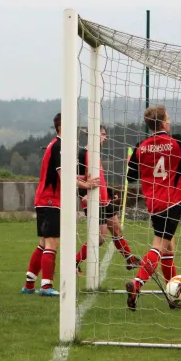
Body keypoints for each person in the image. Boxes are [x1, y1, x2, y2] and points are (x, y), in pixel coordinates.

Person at [124, 105, 181, 310]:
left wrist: (131, 161)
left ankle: (173, 296)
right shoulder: (177, 141)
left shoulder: (141, 146)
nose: (170, 121)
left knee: (169, 247)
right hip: (173, 200)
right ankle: (137, 284)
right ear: (163, 123)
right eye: (168, 118)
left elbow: (130, 177)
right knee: (160, 246)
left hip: (154, 204)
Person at [20, 113, 100, 297]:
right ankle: (46, 286)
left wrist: (80, 178)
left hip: (46, 200)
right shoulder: (60, 146)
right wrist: (85, 185)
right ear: (61, 127)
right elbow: (65, 177)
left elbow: (63, 175)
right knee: (52, 242)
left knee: (43, 243)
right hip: (50, 200)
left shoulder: (57, 145)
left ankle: (29, 284)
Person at [75, 125, 140, 274]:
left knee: (116, 230)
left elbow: (99, 179)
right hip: (92, 200)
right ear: (93, 135)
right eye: (103, 134)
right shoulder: (83, 153)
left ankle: (129, 259)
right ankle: (75, 261)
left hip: (105, 200)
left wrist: (109, 193)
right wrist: (83, 195)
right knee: (100, 237)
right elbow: (79, 179)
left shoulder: (95, 154)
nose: (106, 137)